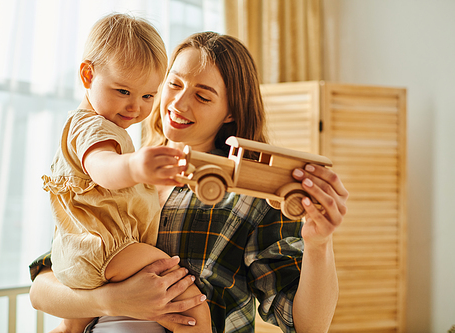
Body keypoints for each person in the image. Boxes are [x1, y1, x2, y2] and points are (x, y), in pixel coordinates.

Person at [30, 31, 349, 333]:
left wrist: (319, 245)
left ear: (230, 112)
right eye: (174, 84)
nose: (179, 104)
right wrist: (112, 300)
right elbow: (43, 290)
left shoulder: (251, 200)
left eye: (202, 96)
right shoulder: (116, 168)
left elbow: (308, 325)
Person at [40, 13, 212, 333]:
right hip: (108, 251)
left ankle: (69, 328)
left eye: (148, 96)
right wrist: (135, 166)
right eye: (123, 91)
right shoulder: (92, 128)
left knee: (72, 325)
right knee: (190, 303)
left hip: (77, 256)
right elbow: (102, 166)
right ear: (88, 75)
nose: (135, 107)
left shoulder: (93, 125)